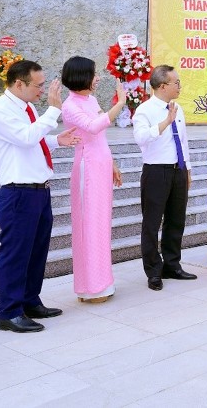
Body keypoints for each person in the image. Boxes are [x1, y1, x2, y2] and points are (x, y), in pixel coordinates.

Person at [0, 60, 79, 332]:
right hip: (18, 192)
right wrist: (53, 110)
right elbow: (25, 138)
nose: (42, 90)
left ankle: (29, 300)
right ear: (19, 84)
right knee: (15, 253)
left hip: (39, 190)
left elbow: (32, 140)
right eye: (38, 85)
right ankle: (9, 312)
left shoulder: (26, 107)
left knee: (37, 251)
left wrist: (55, 140)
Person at [60, 56, 126, 303]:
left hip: (101, 165)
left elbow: (101, 137)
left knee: (101, 225)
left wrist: (112, 163)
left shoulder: (91, 100)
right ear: (82, 76)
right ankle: (90, 287)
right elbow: (94, 126)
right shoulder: (70, 105)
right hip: (87, 169)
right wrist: (120, 104)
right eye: (94, 74)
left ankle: (102, 283)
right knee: (89, 226)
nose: (97, 78)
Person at [132, 65, 196, 291]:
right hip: (156, 171)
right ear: (162, 86)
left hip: (178, 170)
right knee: (152, 223)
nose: (179, 86)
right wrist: (165, 122)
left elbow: (183, 141)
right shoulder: (145, 110)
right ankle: (153, 271)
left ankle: (172, 265)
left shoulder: (178, 108)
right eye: (176, 82)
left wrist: (187, 169)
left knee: (176, 220)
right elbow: (141, 138)